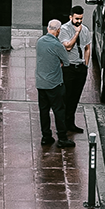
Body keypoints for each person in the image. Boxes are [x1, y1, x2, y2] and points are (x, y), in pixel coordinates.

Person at [35, 18, 75, 148]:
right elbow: (67, 62)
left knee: (44, 110)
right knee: (59, 110)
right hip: (54, 84)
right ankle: (62, 138)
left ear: (48, 29)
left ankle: (46, 136)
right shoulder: (57, 45)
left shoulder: (40, 42)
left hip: (41, 82)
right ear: (58, 31)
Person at [59, 8, 90, 129]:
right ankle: (63, 125)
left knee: (75, 97)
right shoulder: (64, 29)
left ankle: (70, 123)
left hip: (80, 67)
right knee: (66, 96)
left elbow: (87, 48)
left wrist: (86, 65)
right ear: (70, 17)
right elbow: (68, 47)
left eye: (81, 18)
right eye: (77, 18)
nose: (79, 21)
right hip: (68, 68)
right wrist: (76, 33)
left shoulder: (85, 29)